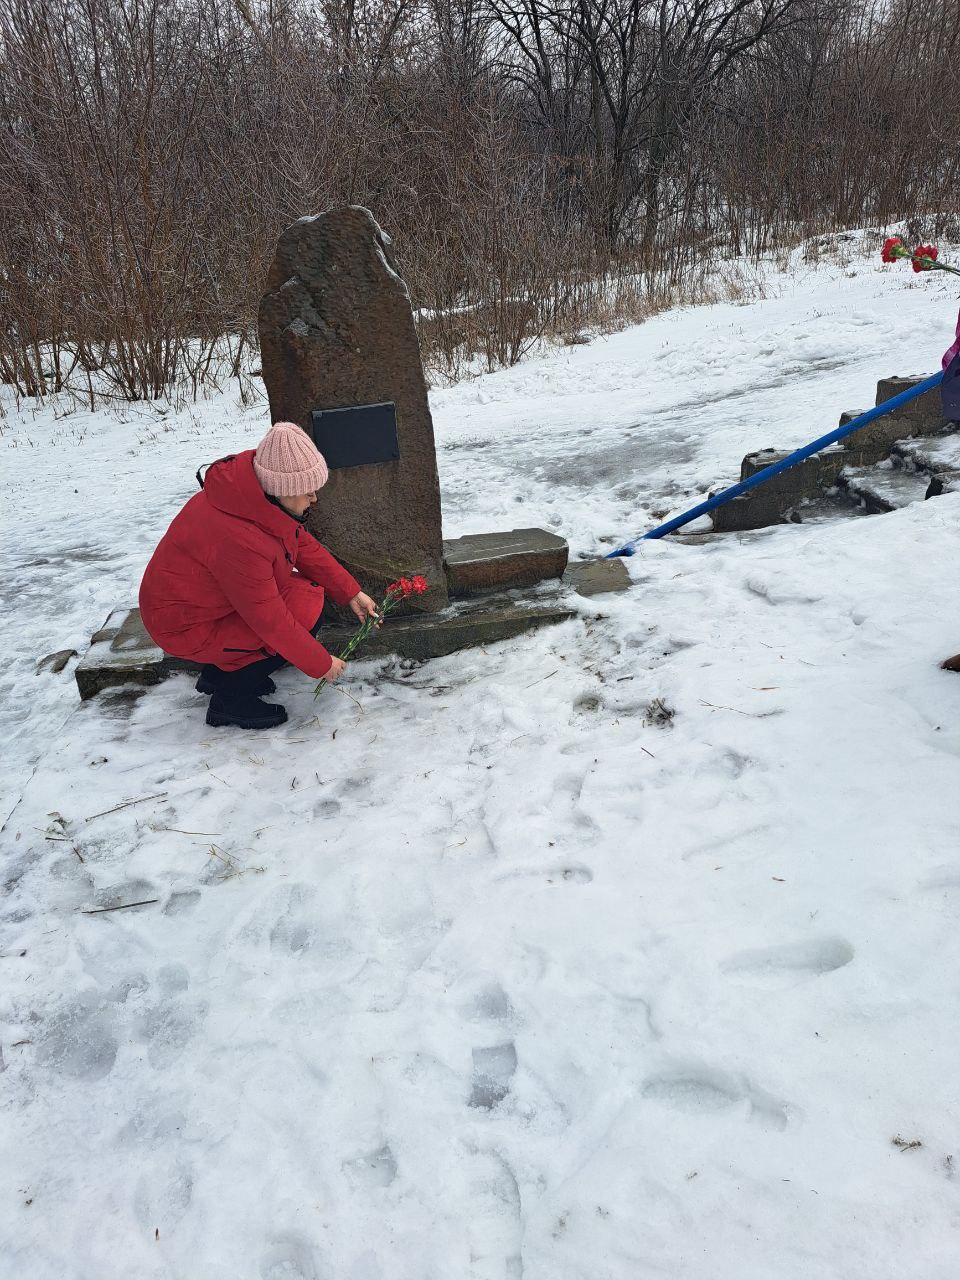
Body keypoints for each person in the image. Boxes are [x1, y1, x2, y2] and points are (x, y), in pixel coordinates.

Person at [139, 421, 379, 729]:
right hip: (185, 626)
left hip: (199, 610)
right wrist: (321, 664)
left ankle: (220, 674)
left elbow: (302, 544)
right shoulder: (238, 538)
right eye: (308, 492)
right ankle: (230, 700)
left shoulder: (253, 500)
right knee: (302, 614)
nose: (314, 499)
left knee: (305, 597)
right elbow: (270, 622)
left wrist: (350, 592)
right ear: (283, 490)